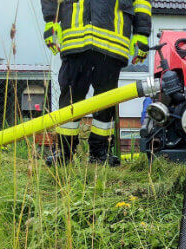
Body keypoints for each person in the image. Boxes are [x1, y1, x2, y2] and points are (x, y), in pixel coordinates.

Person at [41, 0, 152, 166]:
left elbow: (142, 2)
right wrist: (51, 21)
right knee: (70, 98)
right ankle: (64, 151)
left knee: (106, 102)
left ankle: (100, 153)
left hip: (112, 39)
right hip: (76, 36)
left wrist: (141, 33)